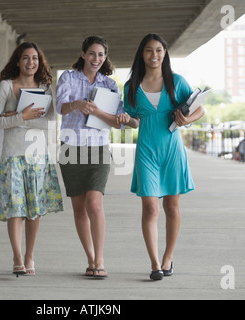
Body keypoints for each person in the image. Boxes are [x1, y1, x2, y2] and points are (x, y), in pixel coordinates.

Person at [119, 33, 205, 281]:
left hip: (172, 150)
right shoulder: (132, 86)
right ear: (142, 54)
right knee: (149, 207)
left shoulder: (176, 82)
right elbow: (134, 120)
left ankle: (168, 257)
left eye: (158, 50)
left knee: (172, 206)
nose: (154, 55)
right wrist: (127, 120)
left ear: (164, 53)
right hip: (146, 149)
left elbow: (200, 107)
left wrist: (187, 119)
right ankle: (155, 263)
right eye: (149, 50)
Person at [0, 42, 63, 276]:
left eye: (35, 58)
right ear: (17, 61)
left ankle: (30, 255)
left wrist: (16, 117)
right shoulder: (5, 86)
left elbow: (48, 122)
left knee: (35, 209)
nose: (30, 62)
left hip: (38, 156)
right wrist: (23, 115)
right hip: (12, 155)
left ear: (39, 62)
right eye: (25, 58)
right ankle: (17, 256)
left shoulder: (44, 88)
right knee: (16, 208)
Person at [56, 36, 126, 279]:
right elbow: (60, 108)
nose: (96, 59)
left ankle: (100, 258)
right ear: (83, 54)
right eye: (92, 53)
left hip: (98, 148)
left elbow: (118, 123)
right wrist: (76, 104)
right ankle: (90, 259)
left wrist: (98, 111)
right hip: (70, 147)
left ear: (105, 57)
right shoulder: (68, 77)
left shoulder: (111, 85)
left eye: (101, 55)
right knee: (78, 209)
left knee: (94, 204)